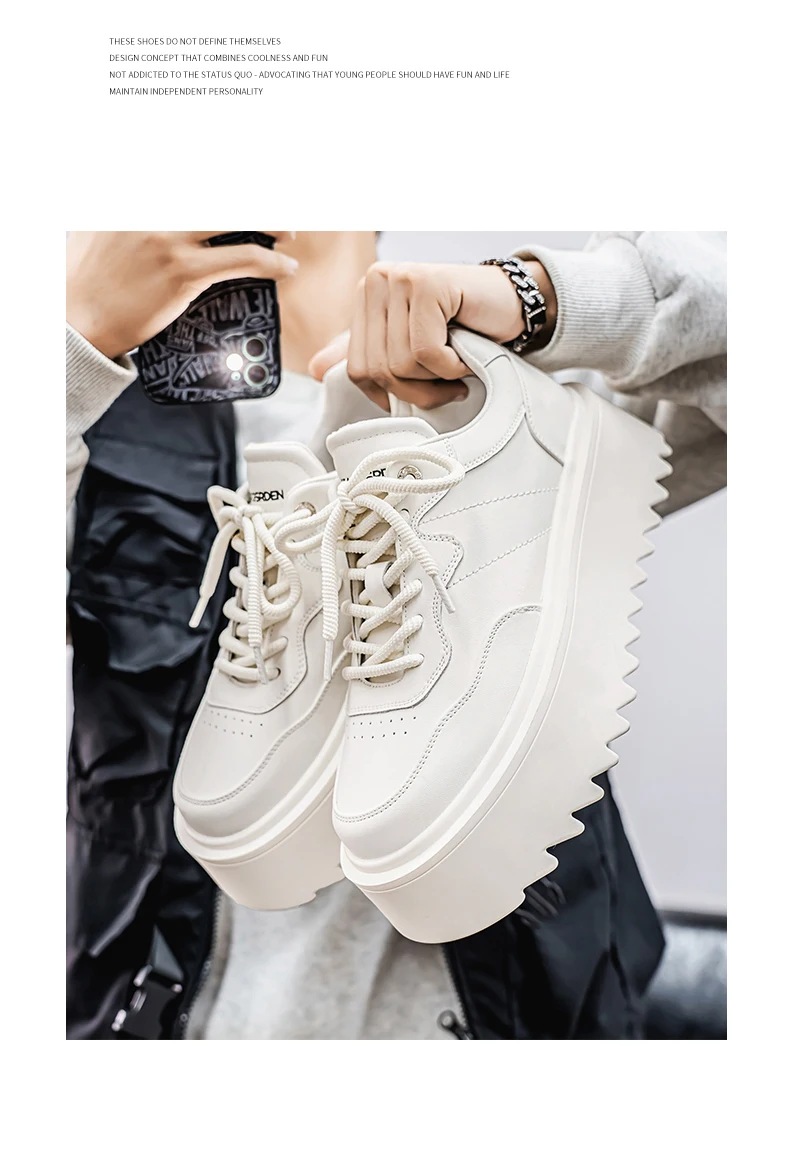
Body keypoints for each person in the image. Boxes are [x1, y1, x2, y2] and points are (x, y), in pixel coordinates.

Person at [66, 230, 726, 1039]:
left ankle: (450, 475)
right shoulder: (103, 419)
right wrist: (73, 341)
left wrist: (539, 297)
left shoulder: (553, 382)